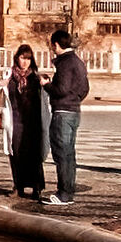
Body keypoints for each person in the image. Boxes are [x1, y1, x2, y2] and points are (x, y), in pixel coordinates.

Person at [0, 44, 50, 201]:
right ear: (17, 58)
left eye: (28, 59)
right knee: (16, 153)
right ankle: (18, 185)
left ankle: (37, 187)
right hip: (15, 120)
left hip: (33, 121)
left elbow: (46, 95)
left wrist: (47, 83)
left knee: (34, 154)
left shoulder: (35, 77)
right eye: (22, 58)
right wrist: (1, 83)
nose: (25, 62)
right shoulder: (9, 75)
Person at [46, 28, 88, 206]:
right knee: (69, 153)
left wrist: (47, 84)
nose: (52, 49)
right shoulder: (78, 61)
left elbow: (61, 90)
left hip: (62, 112)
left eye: (52, 46)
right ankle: (68, 191)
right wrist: (75, 100)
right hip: (74, 112)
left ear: (56, 44)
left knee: (62, 153)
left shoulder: (65, 63)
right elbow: (85, 89)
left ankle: (64, 193)